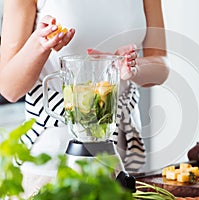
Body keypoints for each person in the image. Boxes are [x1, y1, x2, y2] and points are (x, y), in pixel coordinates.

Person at [0, 0, 169, 197]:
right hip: (51, 163)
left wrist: (132, 67)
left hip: (123, 156)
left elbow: (161, 65)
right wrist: (40, 44)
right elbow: (9, 88)